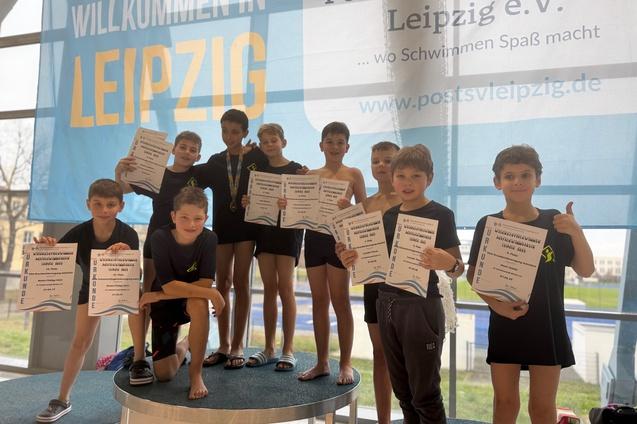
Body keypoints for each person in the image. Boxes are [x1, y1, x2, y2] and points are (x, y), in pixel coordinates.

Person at [466, 145, 594, 424]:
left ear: (538, 179)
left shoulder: (555, 221)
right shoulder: (488, 224)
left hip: (547, 325)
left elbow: (586, 269)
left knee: (542, 408)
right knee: (504, 403)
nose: (518, 182)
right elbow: (473, 276)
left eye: (525, 175)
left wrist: (576, 231)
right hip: (506, 323)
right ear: (497, 182)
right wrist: (497, 306)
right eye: (509, 176)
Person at [340, 144, 464, 423]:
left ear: (429, 178)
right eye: (401, 176)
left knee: (425, 395)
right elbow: (377, 264)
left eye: (416, 176)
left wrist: (448, 262)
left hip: (421, 306)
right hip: (386, 304)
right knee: (404, 394)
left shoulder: (441, 214)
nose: (408, 183)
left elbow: (458, 269)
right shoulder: (389, 216)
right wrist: (352, 258)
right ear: (393, 178)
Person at [35, 179, 149, 423]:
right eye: (98, 204)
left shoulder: (128, 234)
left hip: (120, 289)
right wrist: (47, 247)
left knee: (138, 302)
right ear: (88, 204)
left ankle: (139, 361)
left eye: (110, 204)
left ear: (121, 206)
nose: (104, 210)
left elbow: (136, 274)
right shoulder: (79, 233)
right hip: (91, 291)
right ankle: (62, 399)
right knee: (80, 342)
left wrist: (126, 254)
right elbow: (57, 257)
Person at [138, 186, 225, 400]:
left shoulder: (209, 239)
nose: (191, 224)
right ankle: (185, 344)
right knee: (164, 374)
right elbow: (169, 286)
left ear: (206, 218)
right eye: (184, 217)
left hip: (183, 300)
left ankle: (196, 375)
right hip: (166, 304)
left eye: (197, 218)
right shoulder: (160, 237)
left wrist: (158, 294)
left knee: (199, 302)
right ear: (173, 216)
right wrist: (213, 294)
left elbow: (205, 283)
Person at [197, 109, 268, 369]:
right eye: (225, 131)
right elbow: (188, 178)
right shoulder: (216, 161)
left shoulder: (256, 157)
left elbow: (276, 176)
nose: (229, 136)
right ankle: (223, 345)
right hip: (223, 229)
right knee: (222, 283)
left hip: (247, 228)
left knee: (240, 281)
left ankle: (238, 344)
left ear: (245, 133)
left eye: (235, 132)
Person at [297, 121, 366, 385]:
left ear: (347, 147)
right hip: (314, 239)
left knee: (340, 300)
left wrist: (349, 208)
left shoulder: (354, 174)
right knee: (318, 301)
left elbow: (365, 212)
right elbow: (300, 207)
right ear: (321, 145)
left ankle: (345, 363)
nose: (335, 147)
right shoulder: (312, 175)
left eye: (340, 142)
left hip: (339, 242)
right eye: (330, 142)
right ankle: (322, 362)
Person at [241, 123, 303, 371]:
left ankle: (288, 349)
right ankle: (269, 348)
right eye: (265, 142)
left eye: (273, 140)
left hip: (288, 234)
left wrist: (291, 202)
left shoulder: (297, 170)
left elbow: (305, 204)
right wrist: (248, 201)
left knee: (286, 289)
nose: (269, 145)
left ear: (283, 142)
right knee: (269, 289)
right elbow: (253, 202)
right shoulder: (258, 171)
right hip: (265, 233)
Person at [359, 141, 401, 423]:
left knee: (408, 358)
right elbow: (357, 248)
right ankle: (383, 420)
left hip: (405, 287)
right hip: (374, 285)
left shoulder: (409, 201)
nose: (381, 165)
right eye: (376, 161)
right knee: (380, 354)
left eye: (387, 160)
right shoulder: (366, 204)